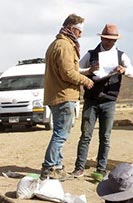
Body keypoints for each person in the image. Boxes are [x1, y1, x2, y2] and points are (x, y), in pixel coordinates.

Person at [72, 24, 133, 180]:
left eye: (113, 40)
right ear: (101, 38)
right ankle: (79, 168)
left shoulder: (121, 56)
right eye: (107, 39)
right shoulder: (90, 55)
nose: (110, 42)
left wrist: (124, 70)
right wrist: (89, 71)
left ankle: (101, 169)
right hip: (91, 100)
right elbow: (76, 69)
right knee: (86, 135)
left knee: (105, 136)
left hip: (109, 101)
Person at [40, 14, 94, 181]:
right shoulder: (65, 46)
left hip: (56, 95)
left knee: (59, 132)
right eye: (79, 30)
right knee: (60, 134)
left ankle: (57, 166)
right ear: (71, 28)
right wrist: (86, 81)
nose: (80, 34)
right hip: (64, 95)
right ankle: (49, 167)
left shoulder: (56, 44)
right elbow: (68, 73)